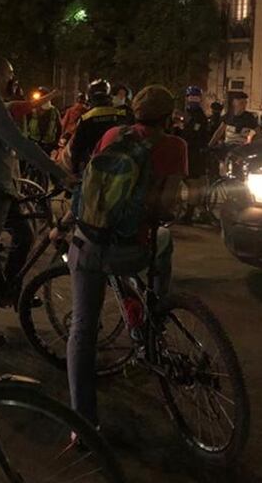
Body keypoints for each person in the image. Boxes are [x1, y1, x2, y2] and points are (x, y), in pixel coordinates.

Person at [66, 84, 187, 426]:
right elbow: (166, 206)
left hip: (88, 240)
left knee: (82, 328)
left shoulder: (112, 135)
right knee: (163, 243)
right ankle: (155, 313)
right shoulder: (174, 146)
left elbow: (92, 187)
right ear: (168, 117)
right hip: (130, 250)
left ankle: (83, 423)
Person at [0, 57, 77, 346]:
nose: (14, 81)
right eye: (10, 75)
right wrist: (59, 174)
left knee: (25, 236)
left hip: (3, 187)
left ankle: (8, 290)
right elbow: (20, 144)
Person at [62, 79, 129, 175]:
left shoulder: (86, 118)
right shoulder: (122, 115)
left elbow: (77, 148)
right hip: (120, 167)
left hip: (95, 167)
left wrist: (75, 171)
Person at [179, 86, 211, 223]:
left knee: (193, 184)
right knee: (193, 184)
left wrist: (182, 129)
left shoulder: (199, 117)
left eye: (195, 97)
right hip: (186, 151)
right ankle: (197, 212)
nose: (192, 100)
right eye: (191, 97)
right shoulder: (186, 113)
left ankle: (189, 215)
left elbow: (195, 136)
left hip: (193, 154)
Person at [26, 86, 62, 155]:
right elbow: (26, 124)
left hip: (48, 145)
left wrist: (55, 143)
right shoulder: (32, 111)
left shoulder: (54, 111)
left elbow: (59, 127)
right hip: (33, 142)